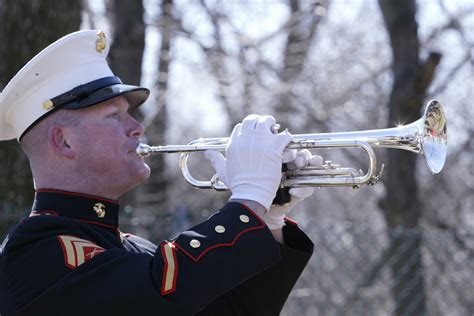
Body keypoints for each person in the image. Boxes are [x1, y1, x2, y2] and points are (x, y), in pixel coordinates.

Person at [0, 30, 318, 316]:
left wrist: (269, 219)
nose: (137, 128)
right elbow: (156, 296)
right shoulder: (34, 253)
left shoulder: (132, 251)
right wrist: (249, 201)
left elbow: (234, 310)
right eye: (114, 116)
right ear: (63, 140)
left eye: (130, 115)